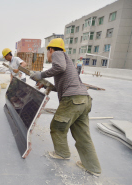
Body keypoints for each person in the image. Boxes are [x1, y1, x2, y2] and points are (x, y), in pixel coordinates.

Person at [30, 38, 101, 177]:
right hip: (84, 100)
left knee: (57, 126)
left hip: (72, 100)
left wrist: (41, 74)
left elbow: (59, 68)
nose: (49, 56)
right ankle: (93, 167)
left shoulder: (58, 54)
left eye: (48, 52)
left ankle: (62, 153)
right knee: (82, 134)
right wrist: (46, 84)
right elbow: (65, 86)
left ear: (51, 49)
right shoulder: (67, 61)